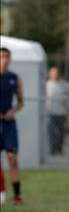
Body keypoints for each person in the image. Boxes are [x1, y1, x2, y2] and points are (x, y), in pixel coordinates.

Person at [0, 47, 24, 204]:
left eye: (7, 56)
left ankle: (17, 195)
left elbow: (21, 102)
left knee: (12, 158)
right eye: (2, 56)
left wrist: (13, 111)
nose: (5, 59)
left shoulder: (14, 78)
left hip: (9, 124)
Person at [46, 67, 69, 155]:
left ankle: (59, 148)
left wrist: (68, 107)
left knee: (61, 132)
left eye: (56, 73)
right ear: (50, 74)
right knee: (52, 131)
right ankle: (53, 148)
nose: (54, 75)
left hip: (62, 112)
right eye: (53, 73)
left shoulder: (65, 84)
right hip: (51, 112)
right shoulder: (47, 85)